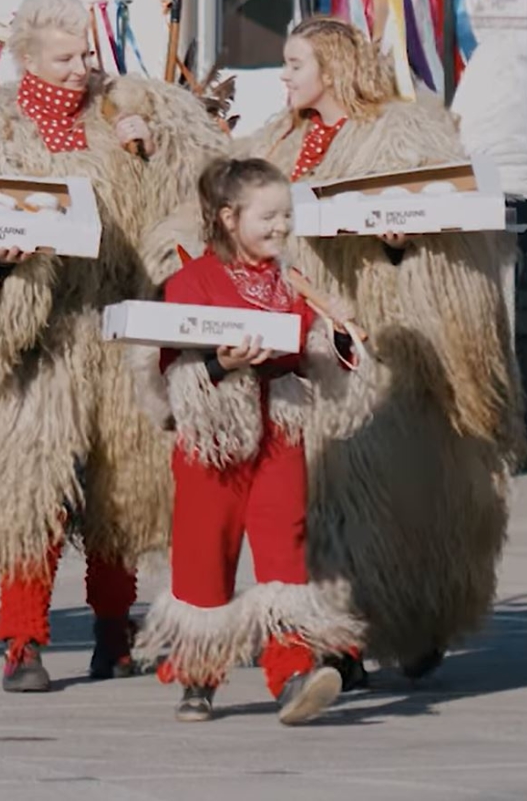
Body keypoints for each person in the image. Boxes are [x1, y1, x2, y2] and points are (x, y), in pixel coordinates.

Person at [154, 17, 523, 685]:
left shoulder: (401, 135)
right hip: (284, 353)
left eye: (296, 63)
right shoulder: (273, 140)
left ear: (335, 66)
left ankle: (395, 626)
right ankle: (329, 645)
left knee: (373, 504)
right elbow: (209, 211)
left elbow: (445, 226)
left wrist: (396, 241)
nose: (286, 76)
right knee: (309, 510)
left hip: (374, 350)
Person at [0, 0, 230, 692]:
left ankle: (115, 630)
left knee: (124, 488)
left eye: (85, 53)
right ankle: (22, 640)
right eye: (64, 56)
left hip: (117, 324)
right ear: (26, 58)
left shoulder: (127, 115)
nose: (81, 66)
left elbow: (201, 184)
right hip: (36, 335)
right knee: (30, 490)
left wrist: (153, 138)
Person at [133, 157, 365, 725]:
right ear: (229, 218)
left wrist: (337, 335)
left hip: (279, 434)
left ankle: (290, 674)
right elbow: (163, 378)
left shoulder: (292, 281)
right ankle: (198, 676)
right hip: (211, 441)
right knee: (203, 556)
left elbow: (320, 361)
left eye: (287, 215)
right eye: (269, 216)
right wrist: (219, 363)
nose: (282, 226)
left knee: (285, 553)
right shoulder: (190, 281)